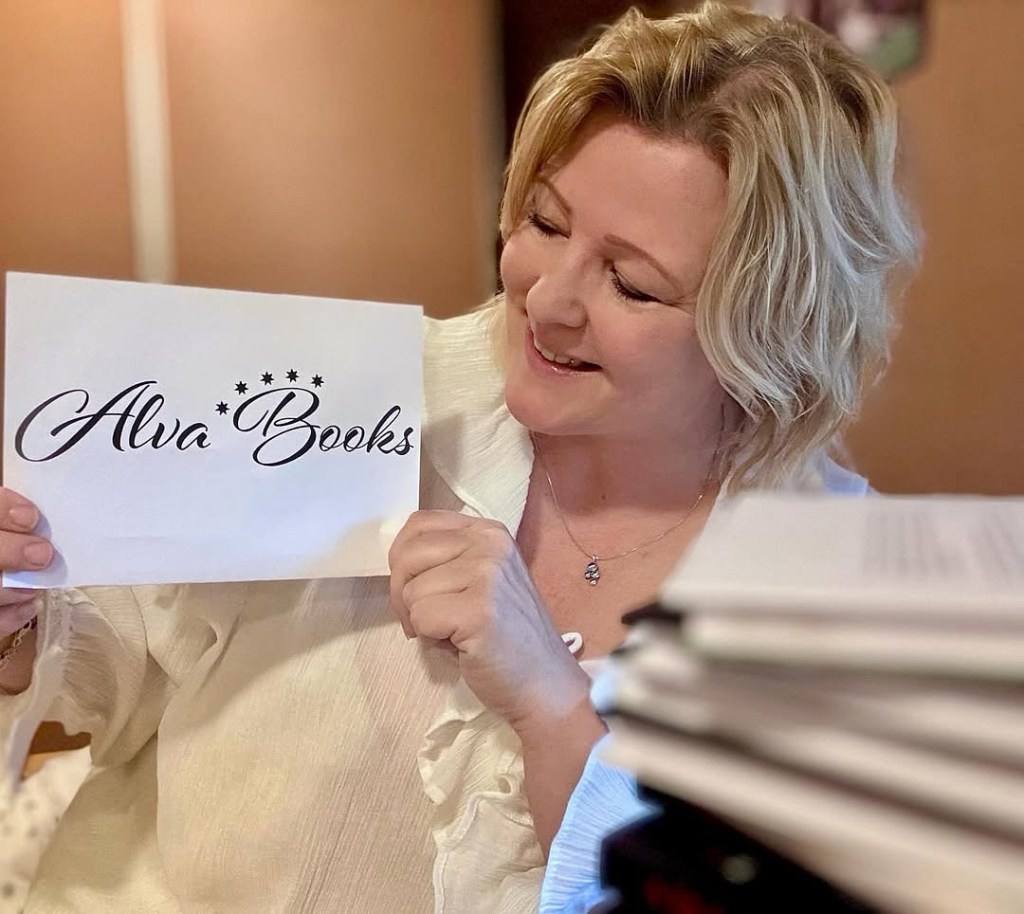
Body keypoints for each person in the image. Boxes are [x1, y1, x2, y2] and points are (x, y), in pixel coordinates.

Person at [0, 2, 916, 911]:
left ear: (773, 325)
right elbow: (95, 655)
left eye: (632, 283)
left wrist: (554, 709)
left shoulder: (846, 597)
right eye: (546, 223)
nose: (547, 300)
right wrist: (16, 608)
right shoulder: (331, 401)